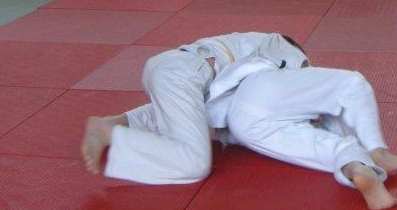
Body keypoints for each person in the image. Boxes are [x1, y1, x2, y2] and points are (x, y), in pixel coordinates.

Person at [81, 32, 310, 185]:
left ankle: (114, 123)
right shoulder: (291, 55)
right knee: (194, 163)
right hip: (184, 74)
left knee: (194, 114)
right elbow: (288, 94)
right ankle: (113, 135)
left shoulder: (263, 50)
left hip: (176, 71)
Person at [227, 65, 397, 210]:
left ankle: (358, 169)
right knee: (352, 84)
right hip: (256, 88)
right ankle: (378, 152)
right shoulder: (277, 56)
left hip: (241, 128)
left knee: (337, 147)